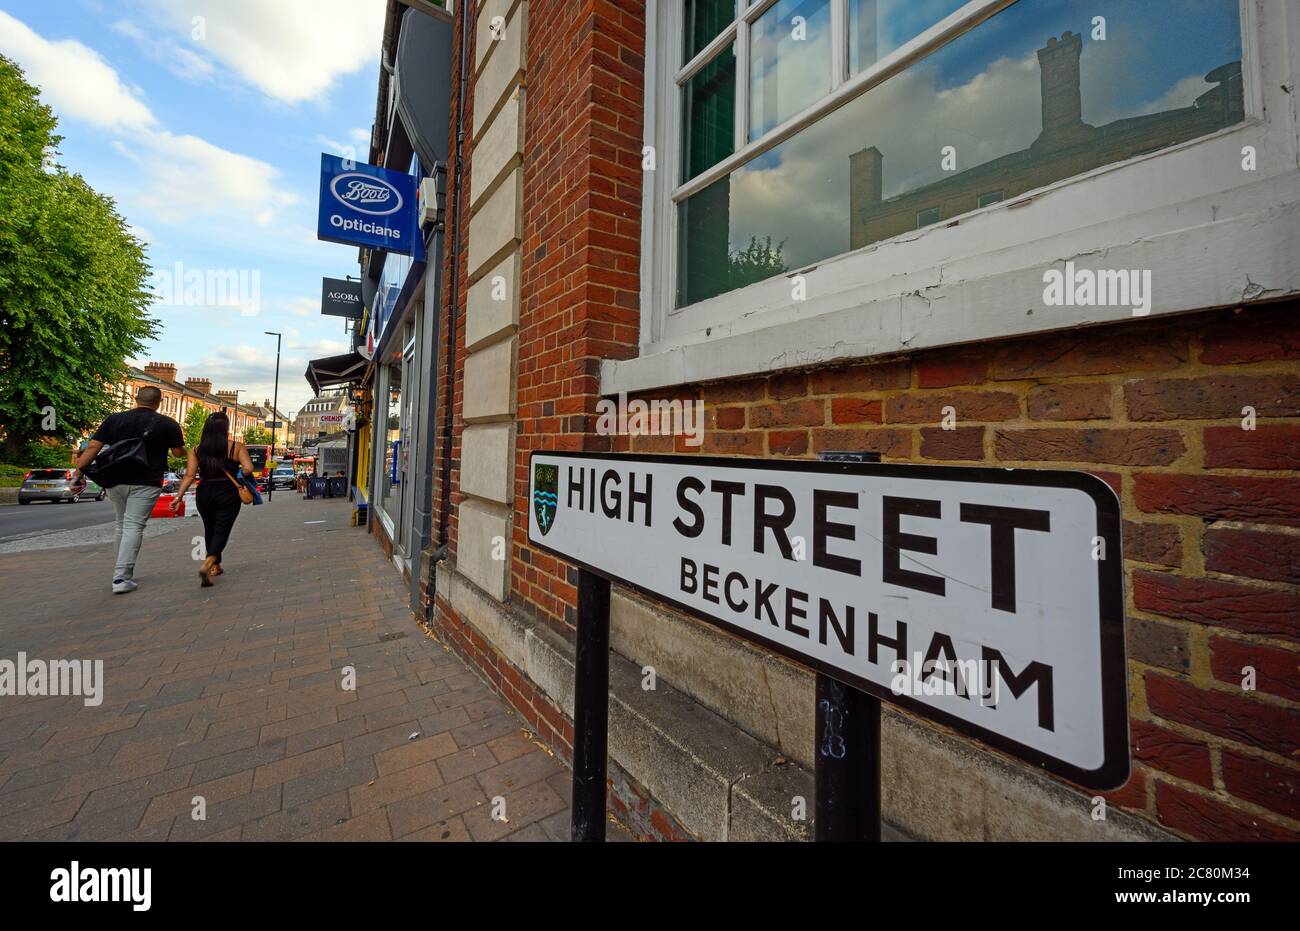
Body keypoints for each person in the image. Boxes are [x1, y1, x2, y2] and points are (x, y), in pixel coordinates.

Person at [73, 386, 186, 594]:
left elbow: (92, 448)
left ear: (136, 399)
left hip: (114, 478)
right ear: (160, 402)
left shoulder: (114, 420)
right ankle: (121, 577)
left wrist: (77, 474)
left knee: (121, 524)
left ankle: (120, 572)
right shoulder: (168, 424)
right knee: (134, 526)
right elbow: (179, 453)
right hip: (146, 480)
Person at [172, 412, 254, 587]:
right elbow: (248, 468)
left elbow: (189, 475)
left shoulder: (196, 449)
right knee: (222, 529)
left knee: (210, 528)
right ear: (226, 428)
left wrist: (178, 497)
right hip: (228, 491)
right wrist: (241, 471)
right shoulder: (236, 447)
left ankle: (216, 567)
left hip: (205, 491)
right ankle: (208, 563)